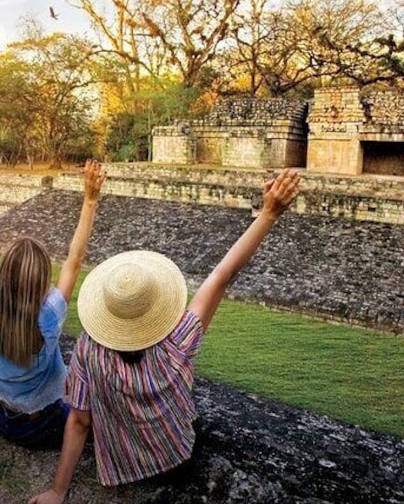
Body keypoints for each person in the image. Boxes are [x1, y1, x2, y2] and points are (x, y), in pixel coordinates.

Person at [30, 169, 301, 503]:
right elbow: (222, 275)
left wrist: (58, 490)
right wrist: (269, 213)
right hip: (177, 457)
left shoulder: (88, 349)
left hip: (124, 461)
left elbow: (80, 422)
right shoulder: (177, 341)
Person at [0, 138, 107, 449]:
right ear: (42, 284)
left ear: (4, 275)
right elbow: (75, 260)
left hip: (1, 417)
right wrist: (90, 201)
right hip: (44, 424)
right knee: (98, 413)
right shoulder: (50, 313)